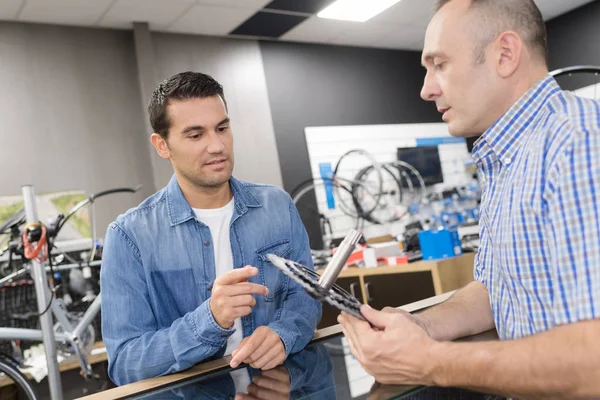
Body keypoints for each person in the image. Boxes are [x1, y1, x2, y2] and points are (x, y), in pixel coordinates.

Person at [338, 0, 600, 398]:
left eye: (439, 64)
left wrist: (428, 361)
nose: (426, 89)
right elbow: (498, 289)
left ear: (505, 54)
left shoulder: (577, 143)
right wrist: (420, 328)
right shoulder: (504, 160)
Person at [101, 71, 321, 386]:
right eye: (195, 135)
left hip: (278, 387)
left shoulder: (278, 206)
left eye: (222, 128)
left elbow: (305, 296)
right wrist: (210, 320)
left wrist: (283, 334)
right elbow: (125, 364)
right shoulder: (129, 236)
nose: (216, 145)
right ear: (162, 146)